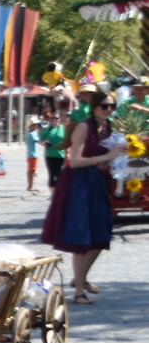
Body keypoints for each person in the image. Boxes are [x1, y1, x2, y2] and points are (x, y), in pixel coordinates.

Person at [40, 92, 116, 304]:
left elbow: (100, 162)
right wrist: (106, 157)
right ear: (93, 106)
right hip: (78, 184)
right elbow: (74, 161)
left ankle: (79, 279)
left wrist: (120, 158)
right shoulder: (84, 126)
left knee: (101, 233)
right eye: (104, 105)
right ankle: (79, 291)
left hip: (96, 182)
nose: (108, 109)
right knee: (82, 235)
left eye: (112, 106)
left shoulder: (106, 128)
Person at [25, 112, 43, 194]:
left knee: (32, 170)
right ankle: (30, 186)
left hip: (31, 154)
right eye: (35, 124)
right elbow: (39, 141)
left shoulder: (30, 134)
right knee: (32, 170)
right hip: (33, 155)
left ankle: (30, 185)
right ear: (31, 126)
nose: (36, 126)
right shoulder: (32, 134)